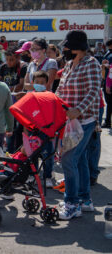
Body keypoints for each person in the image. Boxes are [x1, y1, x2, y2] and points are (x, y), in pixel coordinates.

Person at [56, 30, 101, 220]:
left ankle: (72, 204)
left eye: (68, 46)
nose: (65, 49)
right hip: (69, 121)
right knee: (80, 159)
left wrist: (79, 110)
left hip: (85, 121)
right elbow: (60, 89)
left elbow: (93, 91)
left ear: (79, 47)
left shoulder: (91, 64)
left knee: (68, 160)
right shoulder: (68, 65)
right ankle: (85, 200)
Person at [0, 48, 27, 153]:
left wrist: (7, 89)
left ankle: (16, 151)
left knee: (17, 128)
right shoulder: (3, 67)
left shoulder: (23, 67)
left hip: (18, 101)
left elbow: (21, 85)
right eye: (7, 59)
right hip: (6, 100)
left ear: (18, 58)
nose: (9, 62)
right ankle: (9, 151)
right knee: (8, 126)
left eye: (12, 59)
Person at [101, 39, 112, 128]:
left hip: (109, 81)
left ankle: (108, 121)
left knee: (109, 102)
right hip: (107, 80)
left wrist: (108, 84)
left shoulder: (110, 55)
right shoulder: (108, 53)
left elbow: (110, 71)